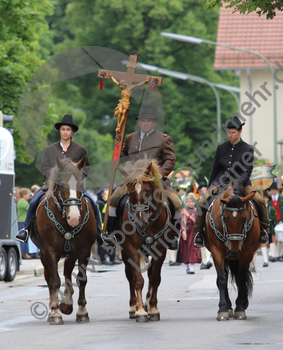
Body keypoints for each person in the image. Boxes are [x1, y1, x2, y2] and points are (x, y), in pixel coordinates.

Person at [15, 114, 113, 248]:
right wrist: (50, 174)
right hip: (52, 185)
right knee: (33, 202)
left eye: (68, 129)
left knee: (93, 204)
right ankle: (25, 230)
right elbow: (43, 168)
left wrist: (77, 179)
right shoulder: (50, 149)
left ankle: (100, 233)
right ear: (59, 131)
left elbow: (86, 168)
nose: (65, 132)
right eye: (63, 129)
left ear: (72, 131)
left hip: (74, 186)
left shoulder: (80, 149)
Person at [108, 105, 182, 249]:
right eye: (143, 121)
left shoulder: (164, 139)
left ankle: (173, 235)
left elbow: (170, 160)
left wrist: (159, 174)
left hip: (156, 181)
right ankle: (111, 233)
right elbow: (122, 158)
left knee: (177, 203)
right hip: (133, 181)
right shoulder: (129, 138)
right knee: (113, 199)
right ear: (139, 122)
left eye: (149, 121)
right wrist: (116, 149)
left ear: (154, 122)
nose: (145, 123)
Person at [194, 116, 269, 247]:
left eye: (233, 133)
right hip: (220, 183)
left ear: (240, 131)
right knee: (201, 202)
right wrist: (210, 186)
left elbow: (247, 170)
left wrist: (239, 182)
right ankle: (199, 233)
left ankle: (264, 230)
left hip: (242, 183)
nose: (230, 135)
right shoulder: (221, 148)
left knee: (260, 200)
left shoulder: (248, 148)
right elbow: (214, 169)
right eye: (228, 132)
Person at [180, 193, 201, 274]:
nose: (191, 203)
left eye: (193, 201)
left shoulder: (196, 210)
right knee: (185, 248)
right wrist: (183, 231)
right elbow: (182, 221)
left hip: (193, 231)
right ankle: (187, 266)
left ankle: (192, 267)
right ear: (186, 202)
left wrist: (188, 215)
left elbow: (196, 221)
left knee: (193, 249)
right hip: (186, 231)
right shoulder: (183, 210)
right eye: (189, 201)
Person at [267, 181, 283, 261]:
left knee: (281, 238)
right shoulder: (268, 201)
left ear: (277, 190)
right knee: (273, 238)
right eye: (271, 190)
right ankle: (274, 254)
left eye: (274, 190)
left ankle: (281, 254)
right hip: (272, 221)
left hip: (281, 220)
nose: (273, 191)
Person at [262, 191, 277, 267]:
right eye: (263, 198)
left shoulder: (272, 209)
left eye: (265, 198)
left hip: (270, 227)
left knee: (270, 242)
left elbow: (275, 218)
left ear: (268, 199)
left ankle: (272, 255)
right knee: (263, 243)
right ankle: (265, 261)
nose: (264, 199)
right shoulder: (259, 208)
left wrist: (268, 217)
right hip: (261, 228)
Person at [17, 188, 32, 259]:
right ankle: (23, 253)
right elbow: (30, 209)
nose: (29, 196)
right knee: (23, 237)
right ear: (24, 195)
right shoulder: (23, 202)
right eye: (28, 194)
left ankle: (24, 253)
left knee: (24, 237)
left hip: (22, 221)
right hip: (22, 221)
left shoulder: (21, 201)